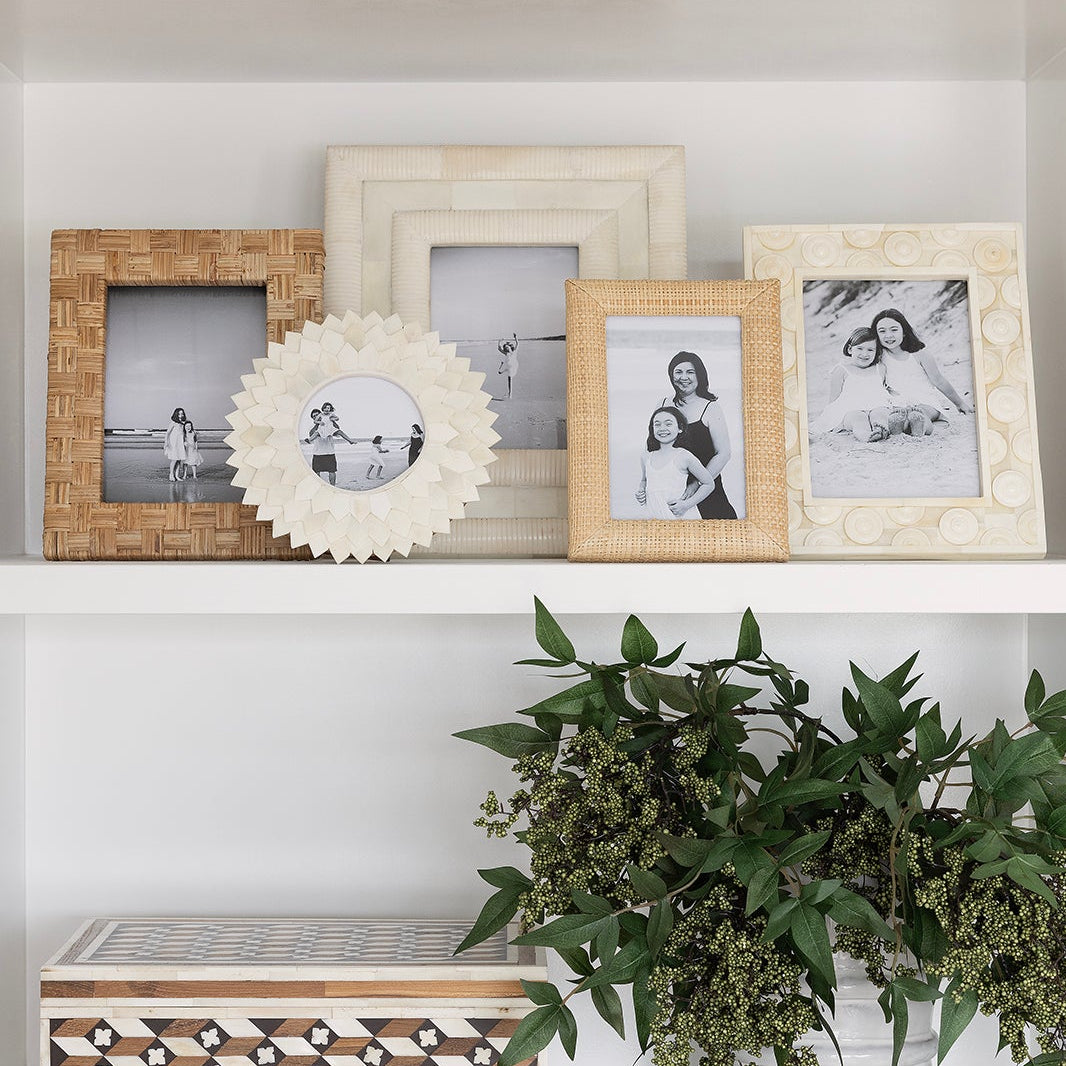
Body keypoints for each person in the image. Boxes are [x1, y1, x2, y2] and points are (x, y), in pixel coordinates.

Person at [873, 308, 974, 434]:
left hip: (925, 400)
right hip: (897, 404)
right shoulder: (879, 358)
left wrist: (960, 403)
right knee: (897, 416)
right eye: (882, 331)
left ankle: (920, 426)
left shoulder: (920, 355)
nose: (888, 335)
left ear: (904, 331)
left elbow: (939, 381)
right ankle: (900, 426)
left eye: (894, 329)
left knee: (921, 413)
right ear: (876, 335)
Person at [661, 351, 737, 519]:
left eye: (690, 372)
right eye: (678, 372)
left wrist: (697, 484)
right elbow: (654, 445)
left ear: (700, 376)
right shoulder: (664, 404)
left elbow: (723, 454)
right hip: (673, 488)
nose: (684, 377)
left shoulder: (710, 407)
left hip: (708, 486)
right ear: (671, 375)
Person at [811, 327, 902, 442]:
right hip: (850, 408)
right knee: (858, 419)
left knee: (880, 414)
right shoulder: (841, 370)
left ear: (876, 352)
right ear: (850, 349)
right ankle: (865, 435)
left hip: (877, 404)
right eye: (860, 348)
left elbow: (885, 389)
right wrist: (829, 417)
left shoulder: (880, 368)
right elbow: (833, 399)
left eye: (870, 350)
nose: (865, 354)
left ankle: (881, 429)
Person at [634, 407, 718, 519]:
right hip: (653, 517)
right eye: (657, 424)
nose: (662, 428)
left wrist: (686, 504)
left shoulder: (684, 456)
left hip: (680, 517)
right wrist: (641, 491)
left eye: (668, 424)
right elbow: (644, 480)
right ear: (652, 428)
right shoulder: (646, 457)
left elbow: (709, 484)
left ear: (680, 428)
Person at [305, 408, 355, 486]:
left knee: (332, 471)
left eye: (317, 415)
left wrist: (330, 420)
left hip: (330, 452)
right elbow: (311, 435)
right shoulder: (311, 427)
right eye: (314, 416)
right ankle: (319, 486)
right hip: (317, 453)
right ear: (312, 418)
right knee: (316, 472)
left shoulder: (329, 425)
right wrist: (318, 423)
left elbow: (337, 430)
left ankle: (333, 486)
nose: (316, 417)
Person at [163, 407, 187, 481]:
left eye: (182, 414)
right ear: (176, 414)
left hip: (180, 443)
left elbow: (184, 434)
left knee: (179, 460)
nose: (181, 415)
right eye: (179, 414)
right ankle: (171, 475)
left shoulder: (183, 423)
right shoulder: (173, 423)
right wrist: (166, 443)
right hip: (174, 443)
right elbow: (167, 433)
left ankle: (177, 475)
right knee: (174, 459)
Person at [497, 333, 519, 399]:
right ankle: (510, 393)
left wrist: (516, 337)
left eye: (507, 347)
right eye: (506, 348)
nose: (507, 348)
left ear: (510, 347)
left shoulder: (514, 351)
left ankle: (510, 393)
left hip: (513, 366)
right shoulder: (506, 353)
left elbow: (517, 344)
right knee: (509, 380)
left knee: (510, 378)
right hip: (508, 367)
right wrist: (499, 341)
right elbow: (499, 349)